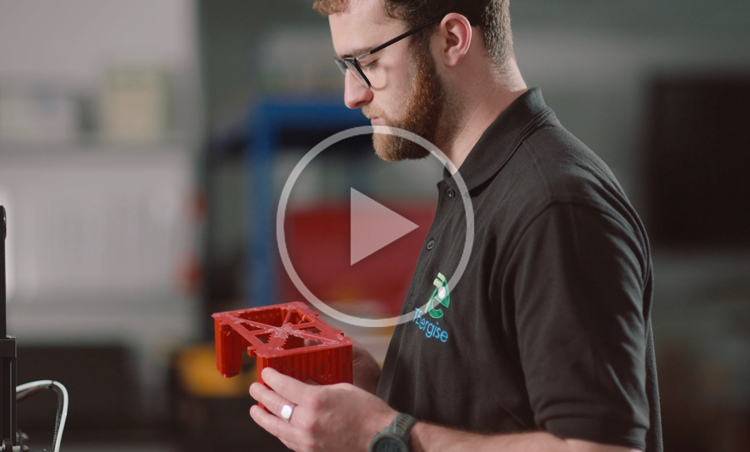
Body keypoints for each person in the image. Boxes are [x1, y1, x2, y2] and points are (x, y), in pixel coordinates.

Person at [248, 0, 663, 451]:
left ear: (452, 39)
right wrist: (386, 390)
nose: (352, 94)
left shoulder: (554, 206)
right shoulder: (474, 185)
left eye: (367, 61)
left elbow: (598, 449)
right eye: (345, 65)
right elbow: (493, 400)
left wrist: (383, 434)